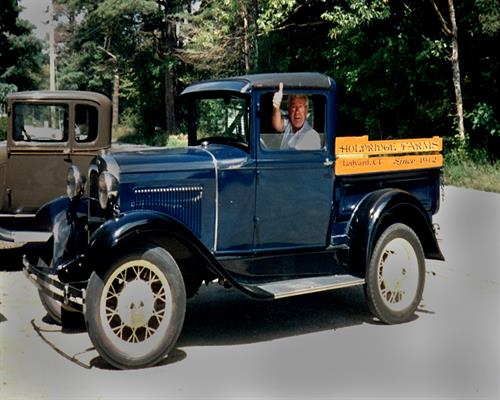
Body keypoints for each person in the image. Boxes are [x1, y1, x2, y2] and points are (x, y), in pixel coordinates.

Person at [271, 82, 321, 150]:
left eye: (300, 107)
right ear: (289, 110)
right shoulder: (289, 125)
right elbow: (277, 125)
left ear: (306, 110)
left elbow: (295, 156)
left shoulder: (312, 135)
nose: (297, 112)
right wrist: (276, 106)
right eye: (293, 107)